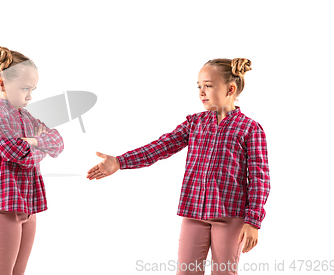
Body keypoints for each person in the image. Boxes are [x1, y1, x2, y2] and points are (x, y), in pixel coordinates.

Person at [87, 58, 270, 275]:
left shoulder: (250, 129)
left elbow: (259, 178)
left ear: (230, 89)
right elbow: (161, 147)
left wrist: (253, 221)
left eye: (208, 86)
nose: (202, 92)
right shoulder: (194, 123)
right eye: (199, 86)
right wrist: (120, 161)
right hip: (193, 213)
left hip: (230, 215)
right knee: (186, 272)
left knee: (224, 272)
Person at [0, 46, 64, 275]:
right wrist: (40, 143)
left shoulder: (23, 115)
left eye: (33, 89)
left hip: (27, 205)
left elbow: (58, 141)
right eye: (25, 88)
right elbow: (18, 154)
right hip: (1, 207)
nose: (30, 96)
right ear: (3, 84)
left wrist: (33, 141)